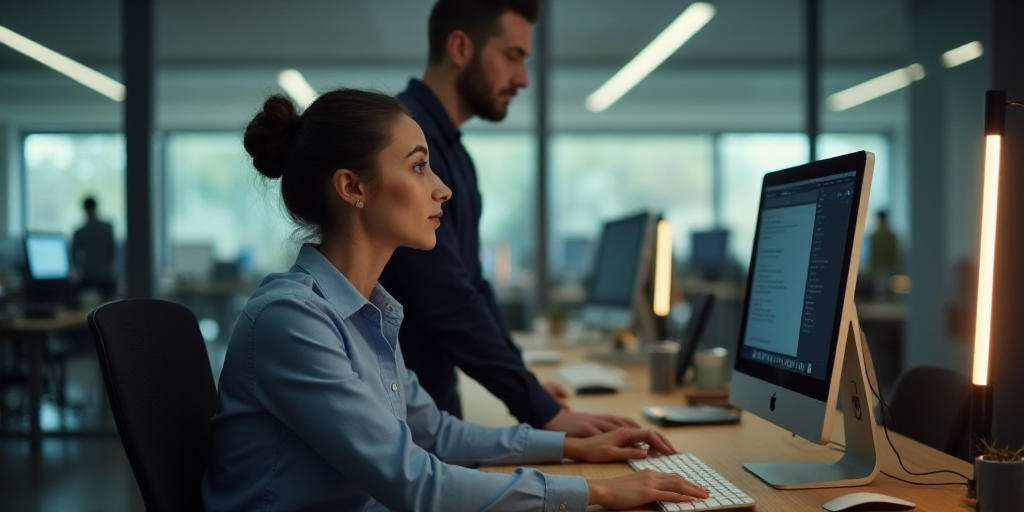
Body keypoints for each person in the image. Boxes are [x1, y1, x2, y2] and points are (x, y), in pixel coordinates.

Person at [202, 89, 709, 511]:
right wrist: (596, 491)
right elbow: (416, 481)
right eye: (420, 168)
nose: (442, 189)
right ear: (352, 187)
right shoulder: (292, 320)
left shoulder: (369, 310)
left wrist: (571, 447)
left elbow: (435, 433)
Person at [380, 0, 634, 437]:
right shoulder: (407, 143)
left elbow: (472, 285)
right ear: (460, 47)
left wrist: (530, 392)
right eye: (513, 56)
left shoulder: (455, 155)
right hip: (398, 430)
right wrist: (538, 409)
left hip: (431, 412)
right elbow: (447, 298)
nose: (522, 79)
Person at [71, 196, 116, 301]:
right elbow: (112, 252)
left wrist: (79, 269)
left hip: (88, 277)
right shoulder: (107, 228)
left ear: (85, 209)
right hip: (106, 276)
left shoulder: (80, 232)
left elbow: (74, 257)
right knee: (110, 309)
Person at [867, 210, 899, 297]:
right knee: (886, 292)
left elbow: (873, 254)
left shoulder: (875, 236)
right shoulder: (891, 236)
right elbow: (894, 254)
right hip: (887, 266)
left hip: (879, 267)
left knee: (880, 292)